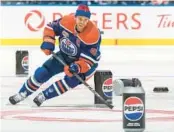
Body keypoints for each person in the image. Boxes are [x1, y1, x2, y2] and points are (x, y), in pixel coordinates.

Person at [9, 4, 101, 106]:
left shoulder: (93, 34)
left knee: (71, 80)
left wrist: (77, 67)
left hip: (86, 64)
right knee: (42, 72)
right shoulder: (66, 21)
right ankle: (22, 93)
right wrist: (49, 41)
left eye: (85, 20)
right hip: (64, 55)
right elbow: (51, 27)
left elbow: (89, 61)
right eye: (80, 18)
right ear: (75, 17)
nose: (82, 22)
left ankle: (44, 95)